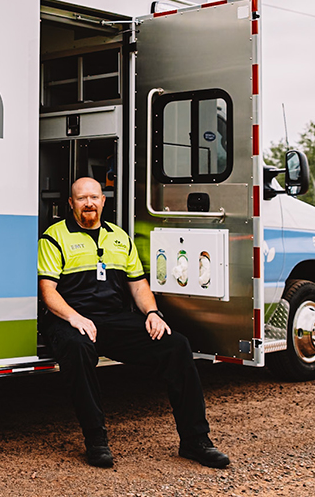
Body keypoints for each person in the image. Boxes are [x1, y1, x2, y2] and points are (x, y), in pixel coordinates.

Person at [38, 177, 229, 469]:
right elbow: (48, 292)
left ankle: (195, 441)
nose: (88, 203)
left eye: (94, 197)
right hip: (69, 319)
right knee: (78, 349)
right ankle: (96, 441)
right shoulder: (54, 236)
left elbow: (138, 286)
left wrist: (152, 313)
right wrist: (75, 318)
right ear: (71, 204)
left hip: (113, 320)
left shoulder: (120, 237)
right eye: (81, 198)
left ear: (103, 201)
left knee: (177, 345)